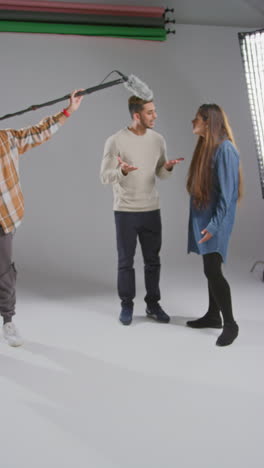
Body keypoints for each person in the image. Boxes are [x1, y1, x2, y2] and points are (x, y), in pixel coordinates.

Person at [0, 89, 83, 346]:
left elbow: (38, 132)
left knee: (3, 273)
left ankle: (8, 322)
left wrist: (68, 110)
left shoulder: (6, 139)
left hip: (3, 220)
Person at [100, 95, 183, 325]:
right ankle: (127, 305)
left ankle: (153, 304)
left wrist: (167, 168)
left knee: (153, 261)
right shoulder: (115, 141)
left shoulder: (158, 140)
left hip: (151, 209)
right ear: (137, 115)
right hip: (125, 211)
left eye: (154, 111)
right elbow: (104, 176)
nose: (155, 115)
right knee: (125, 261)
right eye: (150, 112)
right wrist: (122, 172)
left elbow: (160, 174)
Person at [186, 104, 243, 346]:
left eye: (196, 118)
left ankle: (230, 323)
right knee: (209, 269)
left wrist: (214, 226)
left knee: (212, 270)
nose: (193, 121)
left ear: (208, 122)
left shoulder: (225, 150)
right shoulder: (207, 147)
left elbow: (228, 197)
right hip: (205, 221)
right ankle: (212, 315)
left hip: (215, 222)